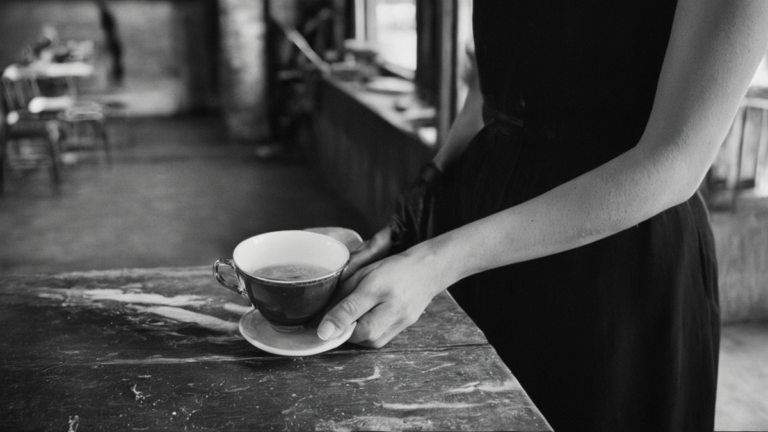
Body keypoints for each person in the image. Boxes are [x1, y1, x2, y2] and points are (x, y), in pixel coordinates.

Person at [316, 0, 768, 430]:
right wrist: (419, 207)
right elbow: (486, 92)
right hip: (480, 238)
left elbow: (675, 159)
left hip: (614, 271)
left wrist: (437, 261)